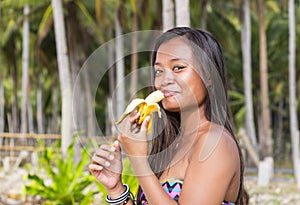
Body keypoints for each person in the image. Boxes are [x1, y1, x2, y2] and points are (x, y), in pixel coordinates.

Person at [89, 27, 248, 205]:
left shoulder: (215, 142)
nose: (164, 81)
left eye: (178, 67)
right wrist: (116, 188)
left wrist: (138, 160)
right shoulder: (171, 144)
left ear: (209, 76)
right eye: (158, 71)